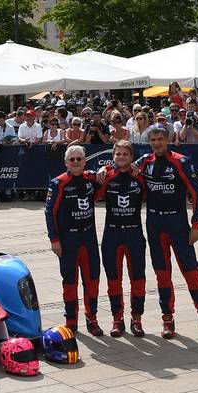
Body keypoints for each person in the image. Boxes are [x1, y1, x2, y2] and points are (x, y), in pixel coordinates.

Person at [135, 125, 198, 339]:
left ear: (168, 139)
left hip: (178, 224)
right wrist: (103, 171)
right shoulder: (144, 161)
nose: (157, 143)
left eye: (160, 139)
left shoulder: (181, 161)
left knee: (191, 273)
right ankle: (167, 319)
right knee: (162, 275)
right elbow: (121, 167)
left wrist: (196, 224)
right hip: (154, 224)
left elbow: (196, 193)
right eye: (153, 139)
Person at [45, 145, 103, 336]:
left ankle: (92, 318)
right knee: (69, 281)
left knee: (92, 280)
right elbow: (50, 212)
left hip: (88, 238)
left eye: (80, 159)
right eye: (72, 160)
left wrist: (102, 170)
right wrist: (54, 239)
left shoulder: (90, 179)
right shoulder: (58, 183)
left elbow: (110, 173)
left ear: (85, 162)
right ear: (66, 163)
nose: (76, 162)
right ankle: (71, 320)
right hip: (68, 240)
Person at [96, 141, 147, 337]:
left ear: (131, 157)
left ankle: (137, 318)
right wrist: (104, 168)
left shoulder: (139, 177)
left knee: (138, 278)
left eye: (125, 154)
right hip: (112, 234)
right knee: (113, 279)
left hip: (134, 233)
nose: (121, 157)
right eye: (118, 154)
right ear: (113, 156)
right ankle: (117, 319)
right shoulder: (107, 176)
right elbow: (92, 192)